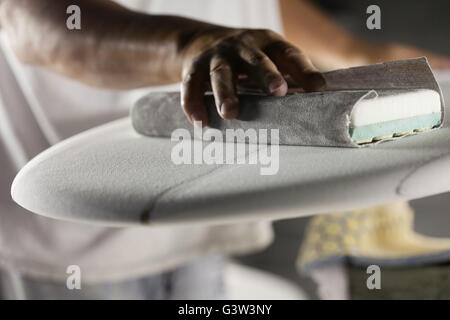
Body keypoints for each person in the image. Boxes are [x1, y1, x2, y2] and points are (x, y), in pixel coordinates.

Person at [0, 0, 449, 299]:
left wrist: (350, 48)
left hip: (199, 219)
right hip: (72, 248)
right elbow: (29, 20)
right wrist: (192, 44)